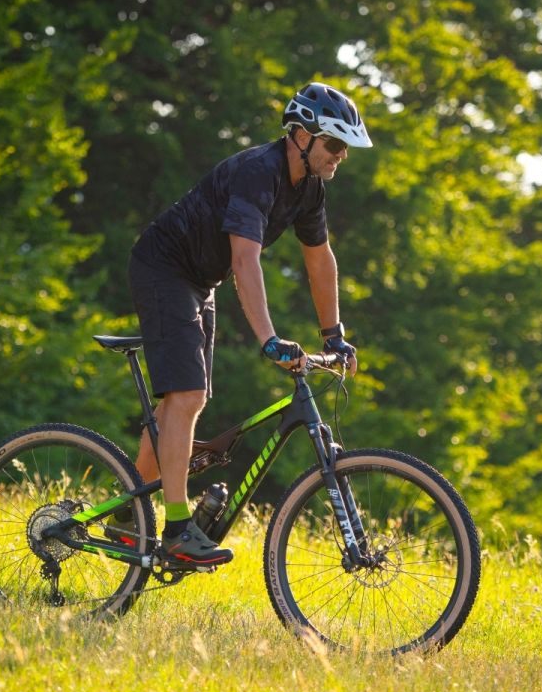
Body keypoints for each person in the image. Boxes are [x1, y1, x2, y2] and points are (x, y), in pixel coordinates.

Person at [124, 82, 369, 567]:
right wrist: (269, 340)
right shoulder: (259, 172)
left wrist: (334, 336)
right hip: (163, 267)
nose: (341, 155)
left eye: (346, 147)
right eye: (334, 143)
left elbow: (320, 260)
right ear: (302, 136)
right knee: (186, 395)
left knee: (187, 402)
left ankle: (130, 516)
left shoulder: (310, 188)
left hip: (200, 280)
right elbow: (244, 260)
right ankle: (176, 529)